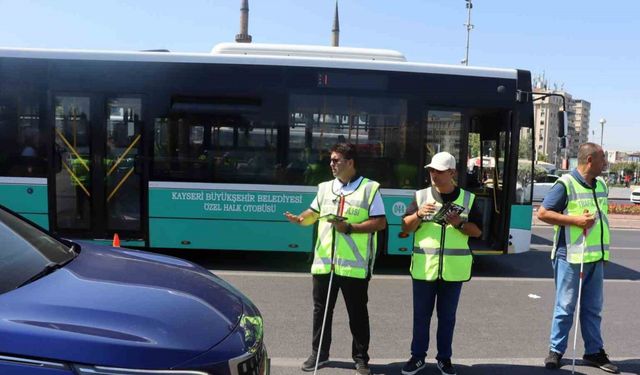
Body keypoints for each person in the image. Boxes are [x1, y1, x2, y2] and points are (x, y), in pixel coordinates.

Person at [284, 143, 387, 375]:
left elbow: (380, 222)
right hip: (324, 263)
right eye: (331, 160)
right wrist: (301, 219)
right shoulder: (324, 188)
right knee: (321, 311)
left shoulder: (369, 188)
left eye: (336, 160)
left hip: (354, 267)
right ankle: (318, 354)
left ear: (350, 163)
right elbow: (313, 213)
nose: (331, 164)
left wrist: (349, 227)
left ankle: (361, 358)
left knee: (357, 313)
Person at [538, 142, 618, 373]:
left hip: (595, 257)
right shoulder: (566, 183)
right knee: (565, 306)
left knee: (593, 308)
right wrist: (575, 220)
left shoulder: (601, 184)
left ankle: (594, 351)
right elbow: (543, 213)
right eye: (603, 158)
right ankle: (556, 351)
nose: (606, 163)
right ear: (590, 160)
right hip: (570, 256)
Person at [400, 151, 482, 375]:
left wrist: (458, 223)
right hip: (424, 268)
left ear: (452, 173)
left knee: (447, 318)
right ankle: (417, 357)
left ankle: (444, 359)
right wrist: (417, 214)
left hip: (454, 271)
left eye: (439, 171)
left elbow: (477, 231)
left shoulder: (468, 199)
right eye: (431, 170)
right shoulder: (420, 196)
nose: (433, 174)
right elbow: (404, 229)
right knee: (421, 317)